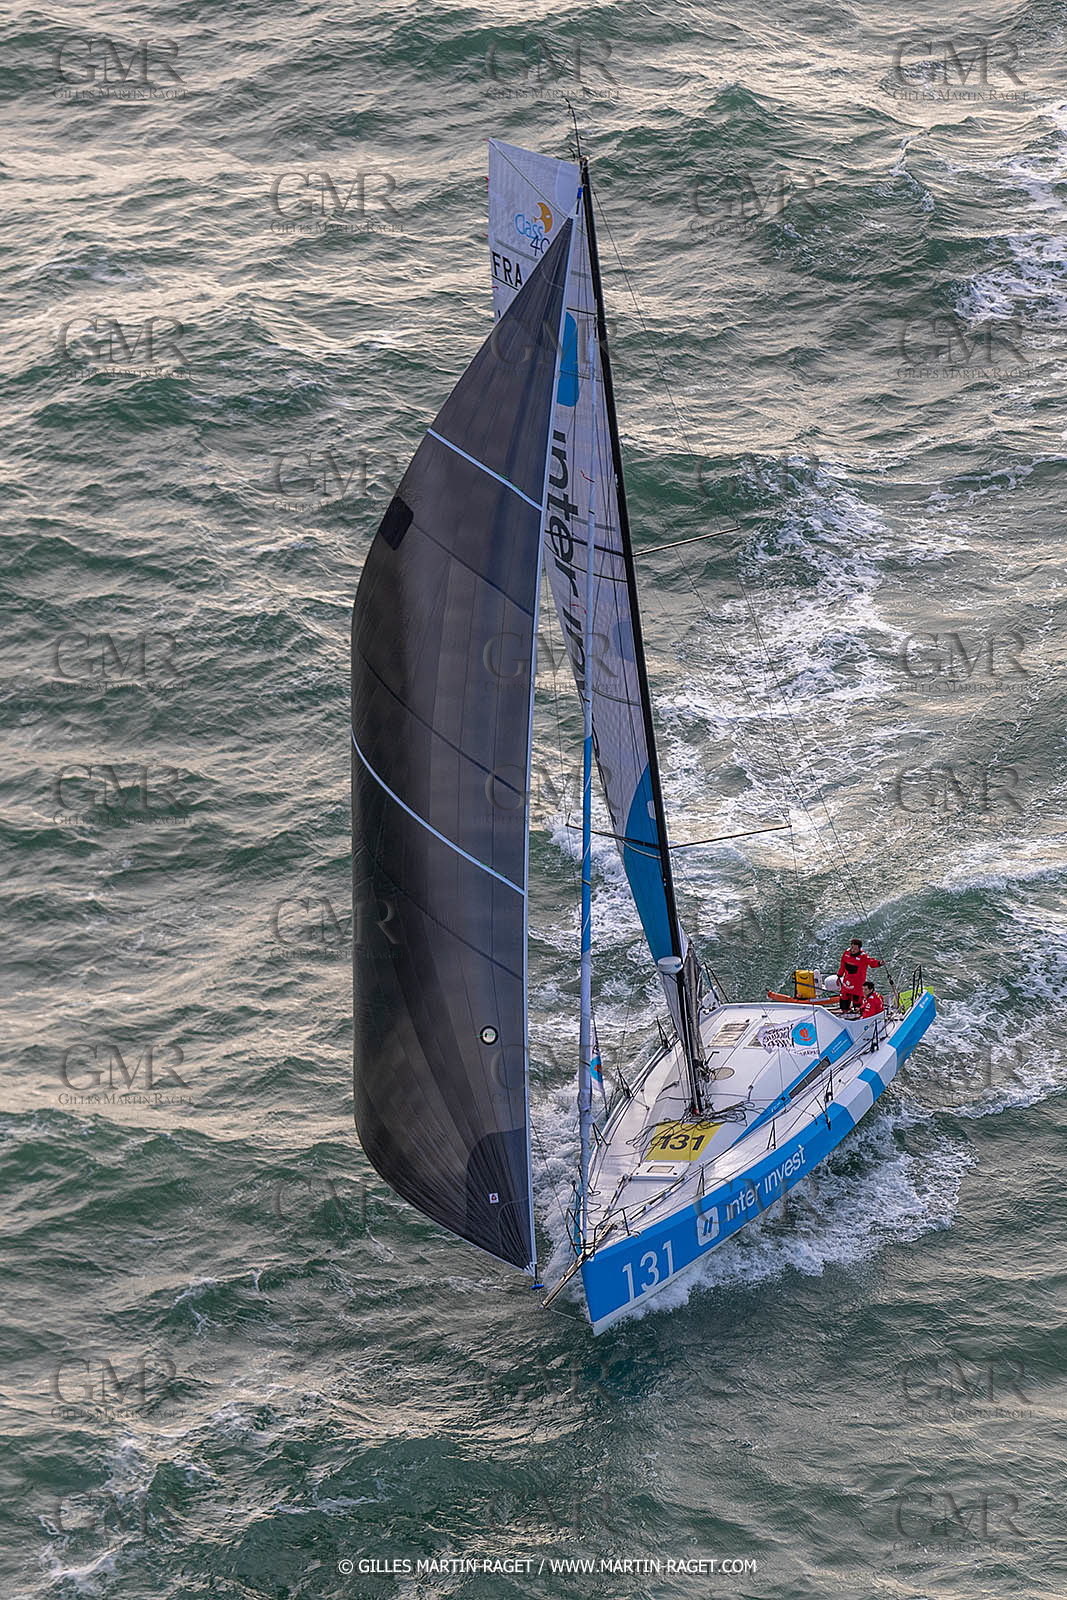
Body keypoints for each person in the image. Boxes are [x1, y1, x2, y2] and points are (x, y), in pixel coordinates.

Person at [838, 937, 881, 1013]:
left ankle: (858, 1013)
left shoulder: (863, 956)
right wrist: (839, 976)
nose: (853, 950)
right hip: (846, 983)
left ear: (859, 949)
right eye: (852, 947)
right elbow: (842, 965)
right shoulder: (846, 953)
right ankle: (844, 1011)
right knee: (843, 999)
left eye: (855, 949)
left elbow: (871, 962)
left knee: (857, 1002)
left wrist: (879, 963)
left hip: (857, 985)